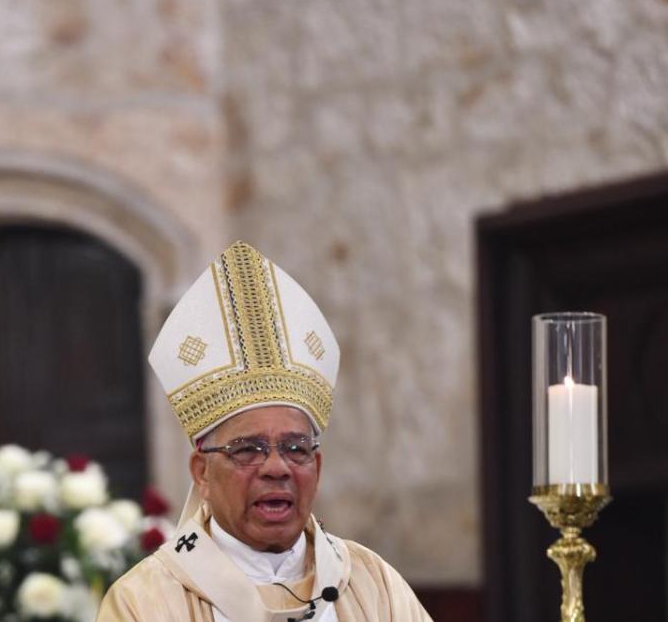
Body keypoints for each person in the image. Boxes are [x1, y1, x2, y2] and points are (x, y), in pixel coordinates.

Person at [97, 241, 433, 622]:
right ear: (202, 472)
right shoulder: (144, 602)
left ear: (317, 467)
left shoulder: (373, 585)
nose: (277, 467)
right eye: (248, 449)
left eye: (295, 448)